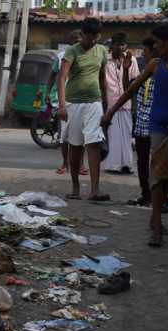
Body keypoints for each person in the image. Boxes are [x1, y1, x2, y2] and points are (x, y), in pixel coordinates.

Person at [102, 23, 168, 246]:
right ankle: (156, 224)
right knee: (157, 176)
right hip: (159, 129)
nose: (156, 47)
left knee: (167, 178)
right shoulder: (154, 65)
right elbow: (130, 90)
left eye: (159, 43)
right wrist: (110, 112)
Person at [57, 17, 110, 201]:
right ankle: (75, 189)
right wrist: (62, 105)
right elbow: (61, 78)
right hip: (73, 104)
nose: (93, 41)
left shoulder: (102, 51)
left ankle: (95, 190)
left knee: (93, 144)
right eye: (89, 38)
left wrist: (106, 103)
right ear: (82, 34)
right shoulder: (72, 51)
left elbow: (103, 78)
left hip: (94, 103)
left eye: (96, 38)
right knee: (75, 146)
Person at [122, 36, 158, 207]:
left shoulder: (164, 73)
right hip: (142, 125)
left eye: (146, 51)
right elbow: (129, 90)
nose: (143, 54)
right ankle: (146, 196)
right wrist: (125, 70)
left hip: (159, 126)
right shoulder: (145, 74)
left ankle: (162, 199)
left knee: (159, 164)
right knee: (142, 162)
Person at [45, 30, 87, 176]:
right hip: (64, 100)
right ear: (70, 43)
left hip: (82, 100)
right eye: (75, 41)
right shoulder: (61, 56)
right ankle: (65, 164)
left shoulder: (86, 55)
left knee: (81, 135)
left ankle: (81, 165)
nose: (78, 44)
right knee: (64, 135)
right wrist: (48, 93)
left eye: (80, 41)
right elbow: (53, 76)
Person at [102, 32, 140, 174]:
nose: (120, 47)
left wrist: (134, 105)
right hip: (110, 102)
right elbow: (101, 82)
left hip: (126, 104)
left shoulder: (132, 61)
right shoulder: (105, 60)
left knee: (125, 135)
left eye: (123, 44)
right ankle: (113, 165)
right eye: (117, 44)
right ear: (112, 45)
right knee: (113, 136)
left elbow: (134, 83)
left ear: (126, 46)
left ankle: (125, 165)